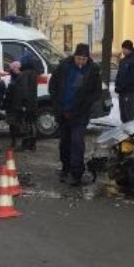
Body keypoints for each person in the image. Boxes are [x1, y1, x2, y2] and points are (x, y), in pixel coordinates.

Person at [48, 43, 102, 186]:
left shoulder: (92, 70)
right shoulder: (64, 67)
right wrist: (57, 104)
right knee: (65, 143)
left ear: (88, 58)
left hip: (80, 113)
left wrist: (86, 103)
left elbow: (96, 92)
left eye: (84, 59)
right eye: (79, 58)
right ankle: (66, 167)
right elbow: (53, 86)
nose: (81, 62)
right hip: (63, 111)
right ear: (74, 56)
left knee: (77, 143)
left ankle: (76, 173)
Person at [6, 57, 39, 151]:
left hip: (25, 104)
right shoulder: (34, 73)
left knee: (25, 124)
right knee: (32, 123)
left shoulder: (24, 74)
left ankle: (25, 145)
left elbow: (23, 90)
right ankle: (32, 145)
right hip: (32, 103)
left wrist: (23, 103)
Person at [114, 39, 134, 124]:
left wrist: (122, 86)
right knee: (123, 115)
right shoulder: (123, 61)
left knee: (129, 114)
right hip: (122, 92)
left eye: (124, 49)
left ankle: (132, 130)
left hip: (130, 92)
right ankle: (125, 130)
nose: (123, 51)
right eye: (122, 48)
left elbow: (133, 77)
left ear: (129, 49)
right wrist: (117, 85)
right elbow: (119, 75)